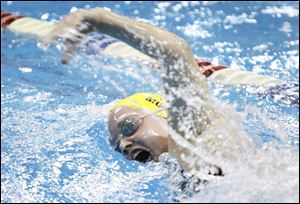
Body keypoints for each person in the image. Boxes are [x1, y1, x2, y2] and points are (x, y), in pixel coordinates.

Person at [1, 8, 298, 178]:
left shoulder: (199, 138)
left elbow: (175, 52)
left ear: (163, 112)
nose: (125, 143)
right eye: (118, 144)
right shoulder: (188, 165)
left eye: (129, 126)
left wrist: (99, 19)